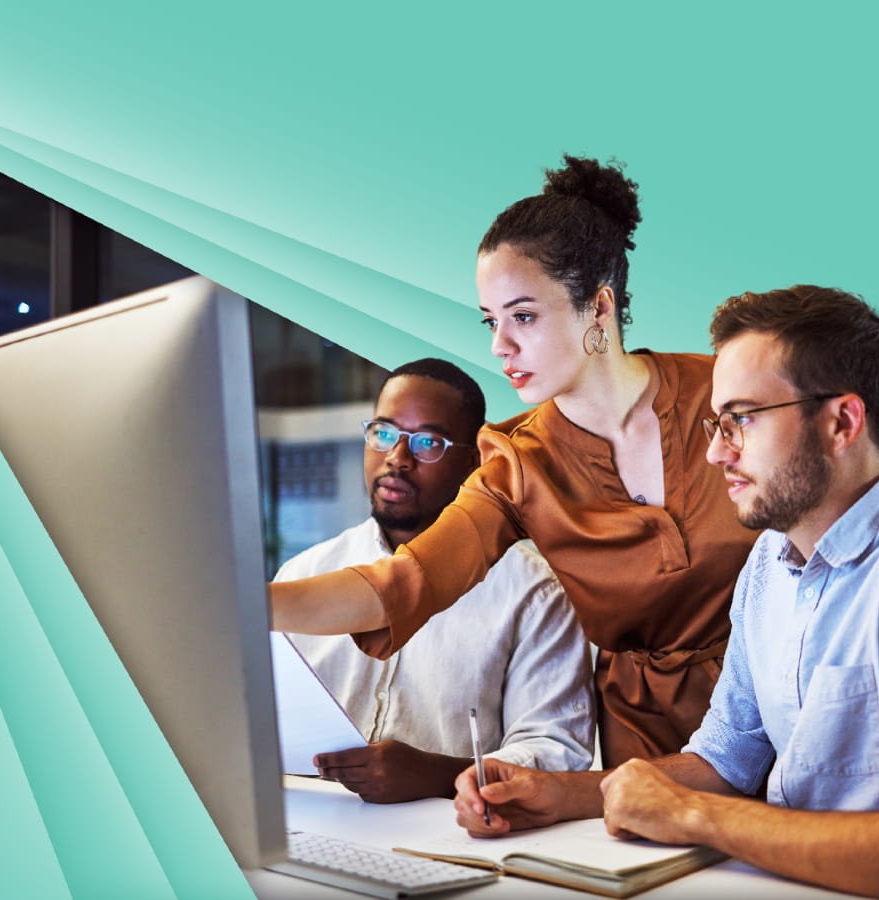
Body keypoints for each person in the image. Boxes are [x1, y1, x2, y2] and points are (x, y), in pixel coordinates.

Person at [453, 287, 879, 900]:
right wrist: (559, 794)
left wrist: (692, 816)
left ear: (842, 422)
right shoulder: (769, 561)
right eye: (717, 422)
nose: (716, 452)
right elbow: (725, 758)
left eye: (742, 419)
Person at [269, 156, 759, 765]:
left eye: (523, 316)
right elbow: (405, 582)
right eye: (491, 321)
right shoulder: (516, 463)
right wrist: (252, 604)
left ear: (598, 307)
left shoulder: (727, 391)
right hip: (647, 742)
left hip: (786, 702)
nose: (500, 345)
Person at [275, 358, 594, 803]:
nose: (397, 458)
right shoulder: (304, 574)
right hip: (306, 818)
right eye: (384, 433)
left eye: (428, 442)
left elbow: (557, 751)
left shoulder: (534, 592)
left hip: (456, 828)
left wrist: (437, 775)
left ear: (473, 461)